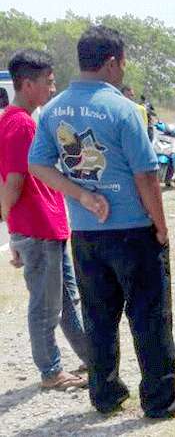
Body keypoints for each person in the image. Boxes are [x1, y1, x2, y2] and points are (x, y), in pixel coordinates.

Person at [28, 25, 175, 418]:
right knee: (149, 315)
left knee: (98, 318)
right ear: (112, 62)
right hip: (133, 230)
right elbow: (147, 175)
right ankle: (161, 399)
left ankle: (105, 395)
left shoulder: (54, 109)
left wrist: (80, 195)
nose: (123, 70)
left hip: (85, 234)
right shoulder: (122, 109)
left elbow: (37, 163)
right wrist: (161, 226)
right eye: (123, 63)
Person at [0, 49, 90, 391]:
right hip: (36, 229)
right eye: (47, 83)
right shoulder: (19, 123)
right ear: (27, 84)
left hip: (48, 226)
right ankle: (51, 372)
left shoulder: (18, 120)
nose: (52, 89)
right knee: (45, 306)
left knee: (66, 299)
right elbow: (11, 181)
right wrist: (15, 228)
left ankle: (91, 356)